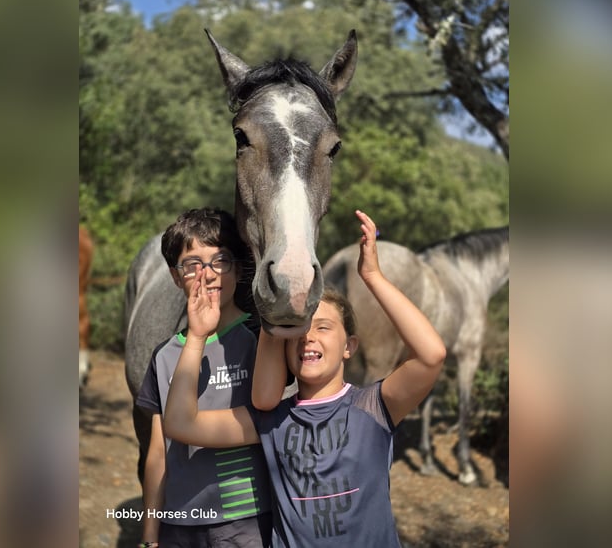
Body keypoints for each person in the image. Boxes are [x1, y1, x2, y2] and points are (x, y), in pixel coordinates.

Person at [163, 209, 447, 547]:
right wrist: (197, 337)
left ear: (349, 346)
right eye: (297, 332)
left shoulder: (373, 409)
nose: (308, 337)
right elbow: (181, 423)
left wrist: (372, 277)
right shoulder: (271, 423)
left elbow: (432, 355)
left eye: (323, 327)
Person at [135, 208, 272, 548]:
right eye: (192, 264)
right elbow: (157, 452)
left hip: (244, 521)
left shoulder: (259, 340)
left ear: (238, 270)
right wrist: (150, 532)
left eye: (219, 261)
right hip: (179, 523)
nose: (207, 275)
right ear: (175, 276)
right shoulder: (164, 355)